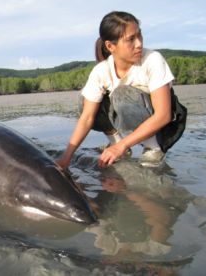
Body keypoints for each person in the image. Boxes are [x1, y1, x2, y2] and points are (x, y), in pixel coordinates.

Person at [56, 11, 186, 170]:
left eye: (139, 35)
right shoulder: (101, 72)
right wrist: (66, 157)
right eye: (131, 39)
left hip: (164, 128)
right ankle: (115, 142)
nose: (139, 44)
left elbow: (163, 115)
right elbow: (87, 118)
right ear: (110, 46)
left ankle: (152, 148)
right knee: (84, 102)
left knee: (121, 94)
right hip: (130, 122)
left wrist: (123, 145)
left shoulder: (153, 60)